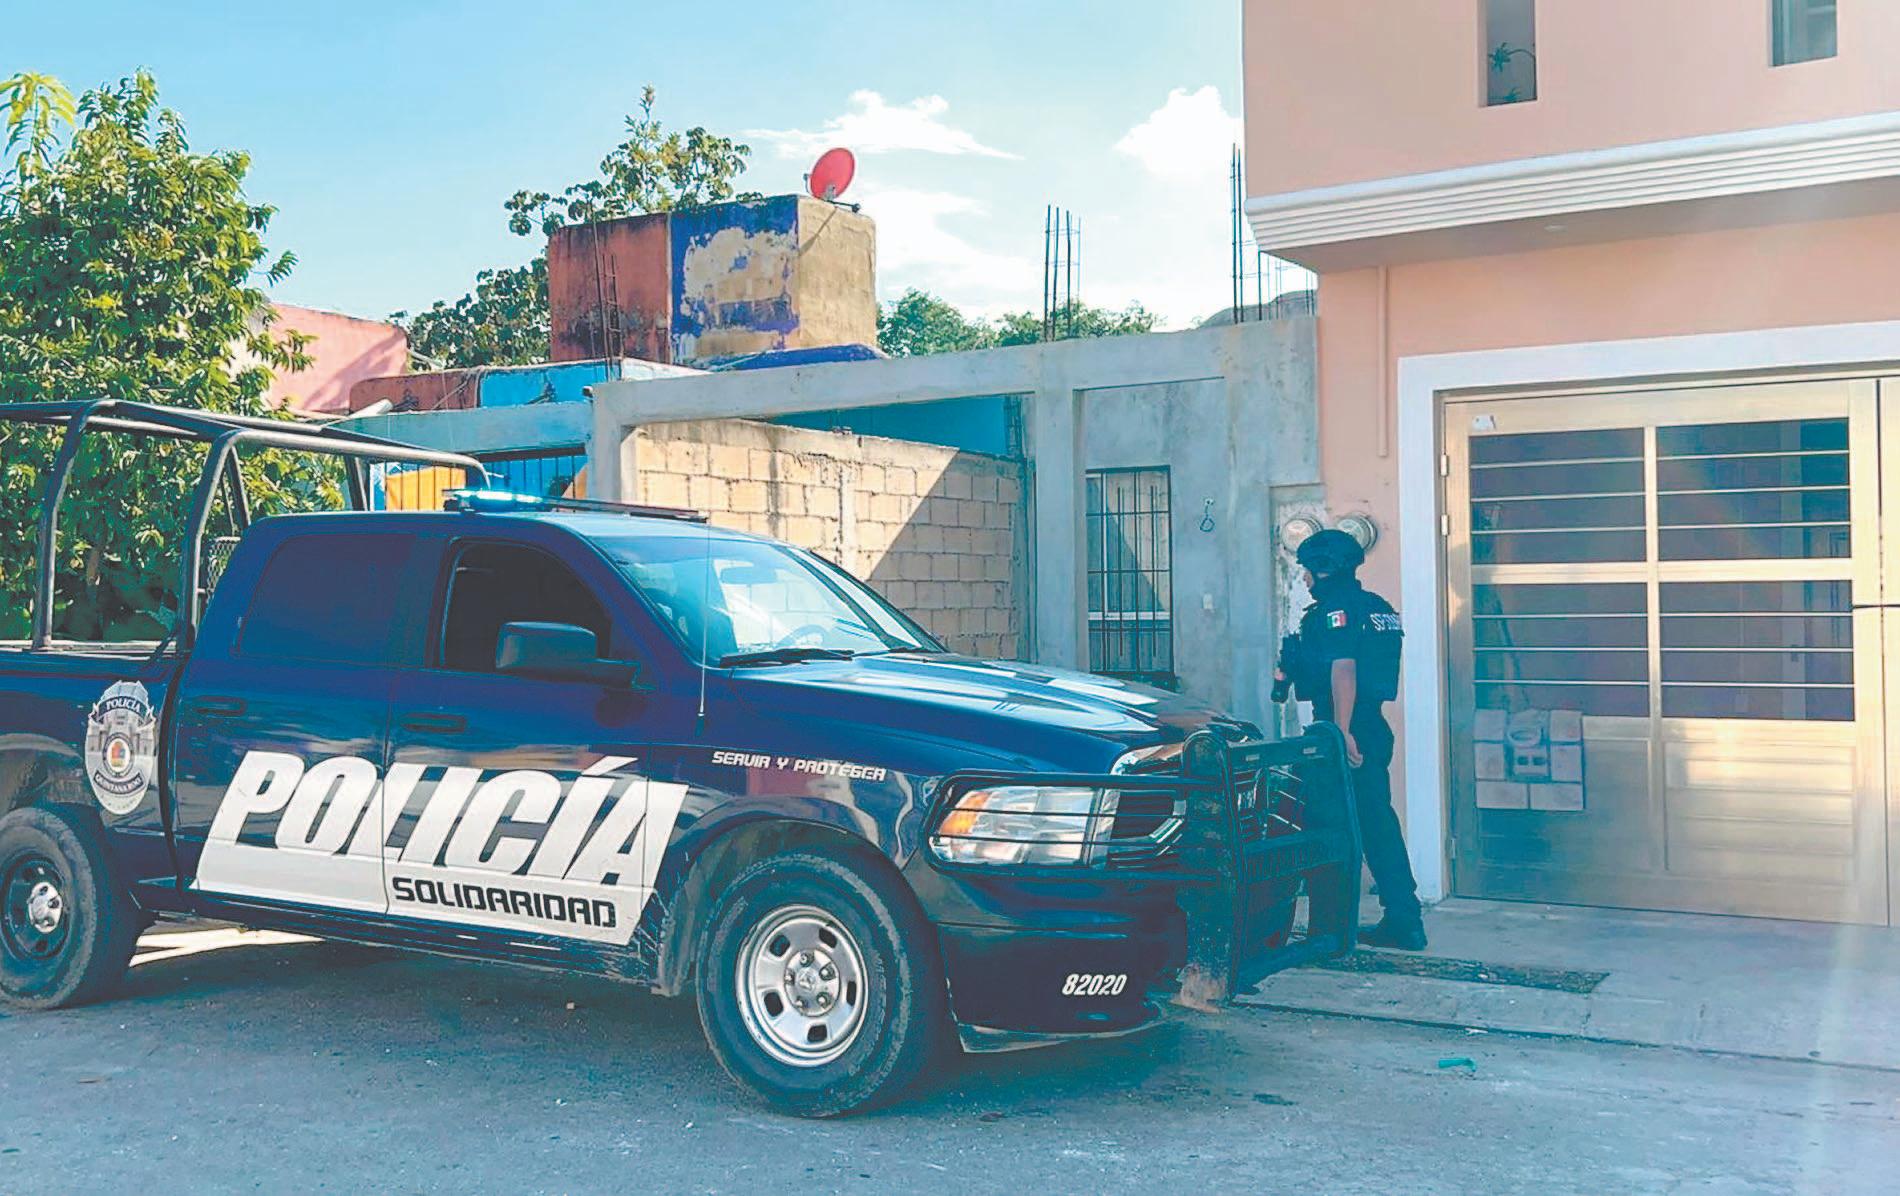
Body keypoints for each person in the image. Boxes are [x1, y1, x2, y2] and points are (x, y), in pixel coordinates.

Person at [1280, 528, 1426, 951]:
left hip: (1342, 731)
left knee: (1327, 824)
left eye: (1308, 569)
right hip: (1371, 727)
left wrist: (1341, 731)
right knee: (1377, 822)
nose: (1305, 577)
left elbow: (1344, 668)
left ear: (1325, 568)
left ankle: (1331, 926)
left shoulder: (1336, 610)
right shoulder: (1377, 607)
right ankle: (1402, 917)